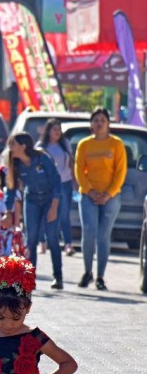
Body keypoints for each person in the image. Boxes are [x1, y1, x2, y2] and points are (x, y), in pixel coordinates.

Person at [74, 108, 127, 291]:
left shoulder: (116, 144)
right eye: (96, 120)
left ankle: (100, 276)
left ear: (108, 124)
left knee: (103, 236)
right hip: (88, 195)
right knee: (89, 232)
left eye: (103, 120)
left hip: (110, 196)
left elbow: (120, 171)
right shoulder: (84, 144)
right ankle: (87, 271)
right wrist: (90, 191)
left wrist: (108, 193)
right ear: (91, 124)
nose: (99, 123)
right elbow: (79, 170)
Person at [6, 132, 63, 289]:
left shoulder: (42, 158)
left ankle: (58, 276)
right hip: (31, 200)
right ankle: (29, 278)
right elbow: (11, 189)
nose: (10, 148)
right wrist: (6, 212)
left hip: (50, 199)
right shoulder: (15, 163)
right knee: (31, 239)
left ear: (23, 146)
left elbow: (56, 181)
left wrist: (54, 207)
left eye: (13, 144)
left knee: (51, 237)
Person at [37, 119, 76, 256]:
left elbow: (71, 162)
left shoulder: (65, 144)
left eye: (59, 129)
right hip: (47, 185)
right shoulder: (42, 146)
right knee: (44, 214)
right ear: (48, 131)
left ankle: (68, 244)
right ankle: (43, 242)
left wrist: (74, 179)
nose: (57, 132)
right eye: (55, 129)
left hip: (65, 182)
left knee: (64, 214)